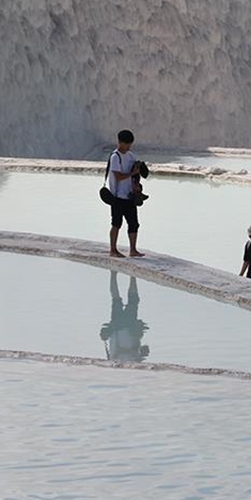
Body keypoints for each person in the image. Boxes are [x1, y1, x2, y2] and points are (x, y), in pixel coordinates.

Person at [106, 129, 144, 258]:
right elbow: (118, 176)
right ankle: (113, 250)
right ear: (120, 142)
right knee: (116, 223)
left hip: (129, 195)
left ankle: (133, 250)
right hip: (117, 196)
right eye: (126, 144)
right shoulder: (115, 157)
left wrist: (136, 184)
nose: (128, 146)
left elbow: (136, 173)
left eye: (130, 144)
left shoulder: (131, 156)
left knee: (133, 223)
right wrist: (132, 174)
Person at [101, 271, 149, 362]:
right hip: (122, 328)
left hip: (121, 329)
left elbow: (144, 350)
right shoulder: (131, 361)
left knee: (125, 300)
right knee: (118, 299)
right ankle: (122, 275)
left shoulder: (117, 360)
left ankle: (130, 276)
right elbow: (144, 351)